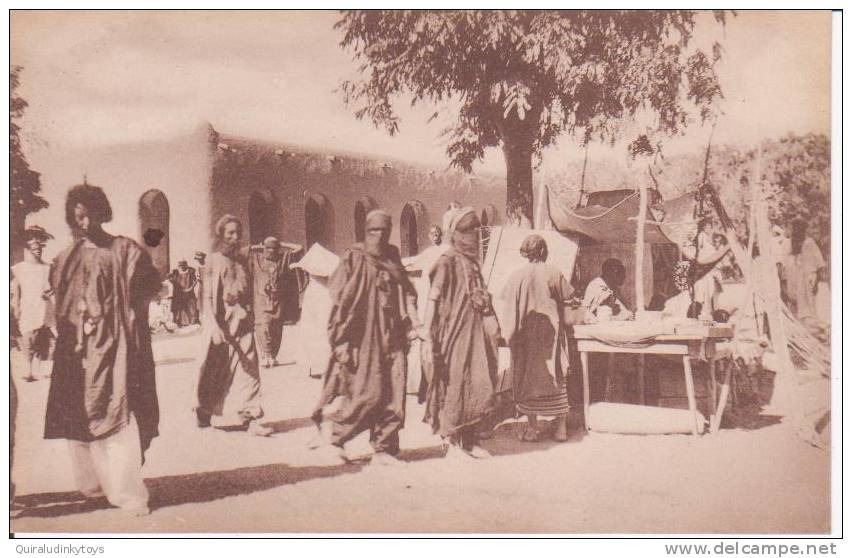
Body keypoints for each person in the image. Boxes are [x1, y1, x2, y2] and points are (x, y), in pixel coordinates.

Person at [44, 182, 161, 516]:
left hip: (115, 348)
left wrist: (132, 317)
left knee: (118, 415)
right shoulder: (65, 258)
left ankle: (128, 494)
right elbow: (61, 303)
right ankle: (92, 486)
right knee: (78, 417)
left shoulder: (124, 250)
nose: (84, 223)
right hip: (76, 350)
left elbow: (150, 286)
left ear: (100, 213)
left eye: (89, 215)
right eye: (77, 217)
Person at [312, 210, 420, 466]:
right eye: (374, 231)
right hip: (363, 338)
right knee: (367, 393)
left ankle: (384, 448)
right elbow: (339, 295)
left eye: (384, 231)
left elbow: (406, 290)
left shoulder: (392, 257)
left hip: (392, 335)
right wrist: (344, 337)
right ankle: (336, 438)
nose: (379, 236)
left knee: (395, 392)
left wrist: (412, 323)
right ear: (366, 231)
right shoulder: (354, 258)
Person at [422, 207, 500, 460]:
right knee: (456, 385)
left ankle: (471, 438)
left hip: (476, 336)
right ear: (456, 233)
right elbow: (433, 299)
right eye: (468, 231)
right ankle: (452, 441)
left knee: (478, 384)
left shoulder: (472, 263)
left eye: (476, 230)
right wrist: (427, 334)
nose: (474, 236)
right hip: (453, 337)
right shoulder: (447, 261)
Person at [195, 215, 272, 437]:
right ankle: (204, 411)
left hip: (242, 323)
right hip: (220, 324)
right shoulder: (213, 261)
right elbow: (207, 297)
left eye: (238, 233)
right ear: (221, 235)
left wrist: (247, 312)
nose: (235, 237)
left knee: (250, 367)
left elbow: (247, 291)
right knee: (214, 369)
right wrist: (214, 326)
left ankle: (251, 416)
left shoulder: (243, 260)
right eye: (230, 233)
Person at [501, 235, 574, 442]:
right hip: (549, 337)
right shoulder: (553, 272)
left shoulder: (516, 276)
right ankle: (561, 428)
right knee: (556, 377)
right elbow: (569, 303)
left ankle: (532, 429)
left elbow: (507, 305)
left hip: (525, 339)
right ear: (543, 251)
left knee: (528, 380)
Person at [244, 236, 304, 368]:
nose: (270, 251)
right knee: (263, 326)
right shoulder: (257, 258)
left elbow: (300, 249)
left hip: (277, 301)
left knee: (276, 327)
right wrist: (260, 246)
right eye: (268, 248)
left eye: (274, 248)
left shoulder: (283, 259)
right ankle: (266, 355)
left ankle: (272, 355)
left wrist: (282, 244)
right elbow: (244, 251)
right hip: (261, 300)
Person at [11, 236, 54, 382]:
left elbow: (53, 287)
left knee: (41, 340)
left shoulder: (47, 268)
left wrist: (49, 293)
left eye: (39, 249)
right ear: (27, 250)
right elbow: (16, 290)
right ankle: (28, 371)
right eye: (34, 249)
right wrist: (16, 307)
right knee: (27, 339)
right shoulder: (19, 269)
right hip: (27, 308)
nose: (37, 252)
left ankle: (39, 370)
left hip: (43, 308)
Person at [780, 219, 825, 325]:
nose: (795, 232)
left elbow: (820, 265)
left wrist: (816, 283)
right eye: (794, 230)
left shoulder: (810, 244)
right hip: (794, 285)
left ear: (803, 230)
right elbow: (783, 266)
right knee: (794, 311)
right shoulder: (789, 245)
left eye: (798, 229)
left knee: (809, 311)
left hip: (808, 283)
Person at [169, 260, 199, 327]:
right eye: (180, 266)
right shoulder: (176, 272)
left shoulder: (190, 272)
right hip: (180, 293)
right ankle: (181, 322)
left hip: (189, 291)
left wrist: (190, 288)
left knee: (191, 305)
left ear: (185, 265)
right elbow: (174, 281)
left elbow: (195, 281)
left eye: (182, 265)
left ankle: (192, 321)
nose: (181, 267)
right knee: (180, 307)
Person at [194, 251, 206, 318]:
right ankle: (201, 317)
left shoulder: (207, 265)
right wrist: (198, 278)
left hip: (207, 284)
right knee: (201, 300)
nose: (199, 261)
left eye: (200, 259)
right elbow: (197, 275)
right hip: (202, 285)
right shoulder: (198, 267)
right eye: (198, 259)